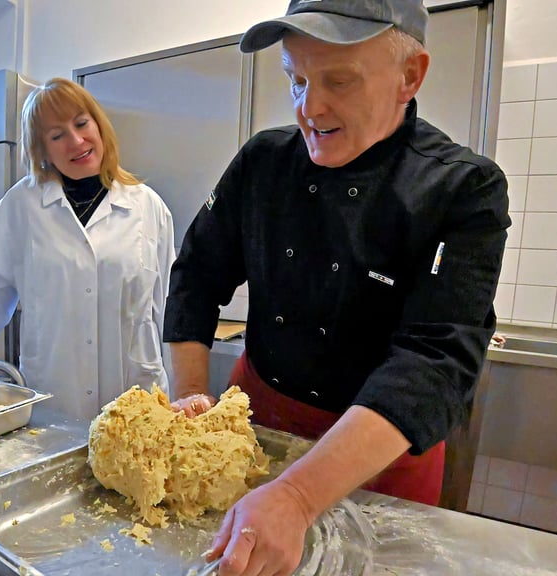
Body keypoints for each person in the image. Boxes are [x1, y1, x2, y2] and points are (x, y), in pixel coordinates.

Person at [163, 1, 510, 574]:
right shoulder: (264, 162)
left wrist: (297, 496)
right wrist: (191, 397)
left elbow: (433, 362)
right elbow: (197, 273)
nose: (309, 108)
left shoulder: (462, 189)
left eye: (338, 81)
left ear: (410, 76)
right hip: (255, 424)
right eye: (295, 80)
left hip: (377, 458)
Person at [0, 78, 175, 421]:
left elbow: (167, 307)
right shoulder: (20, 208)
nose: (76, 141)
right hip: (57, 399)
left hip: (136, 397)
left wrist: (182, 390)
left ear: (98, 124)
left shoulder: (148, 207)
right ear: (42, 149)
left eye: (81, 124)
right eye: (56, 135)